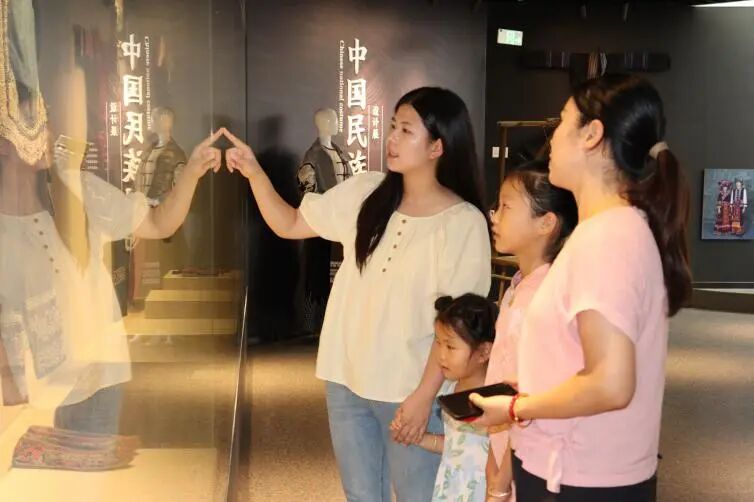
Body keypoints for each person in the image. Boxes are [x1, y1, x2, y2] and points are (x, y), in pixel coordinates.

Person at [223, 86, 491, 501]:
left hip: (410, 388)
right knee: (360, 495)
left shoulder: (462, 222)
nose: (392, 138)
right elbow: (290, 224)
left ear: (437, 146)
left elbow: (459, 327)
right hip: (346, 379)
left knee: (419, 494)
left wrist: (423, 397)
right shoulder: (367, 191)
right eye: (393, 126)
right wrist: (255, 173)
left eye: (406, 130)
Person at [470, 74, 692, 502]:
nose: (551, 138)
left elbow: (611, 383)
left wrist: (517, 408)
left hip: (579, 475)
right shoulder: (615, 230)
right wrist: (534, 387)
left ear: (591, 135)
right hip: (582, 468)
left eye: (562, 122)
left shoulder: (607, 238)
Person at [483, 160, 578, 501]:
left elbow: (531, 390)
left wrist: (500, 480)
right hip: (507, 448)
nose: (494, 216)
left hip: (527, 455)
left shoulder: (544, 296)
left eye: (506, 207)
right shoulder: (521, 284)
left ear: (546, 223)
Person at [401, 293, 497, 502]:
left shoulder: (494, 400)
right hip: (452, 487)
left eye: (451, 346)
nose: (441, 355)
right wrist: (420, 438)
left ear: (484, 352)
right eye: (438, 343)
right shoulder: (453, 389)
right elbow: (457, 448)